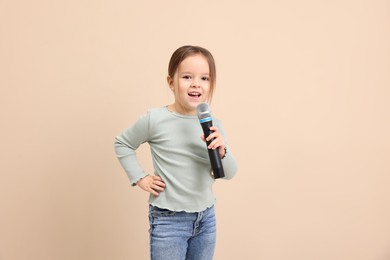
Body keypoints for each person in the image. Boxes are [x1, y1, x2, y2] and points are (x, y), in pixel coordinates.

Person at [114, 45, 237, 260]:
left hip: (205, 218)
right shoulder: (155, 119)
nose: (196, 84)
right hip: (169, 220)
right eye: (187, 77)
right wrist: (140, 177)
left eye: (205, 78)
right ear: (171, 82)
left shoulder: (213, 124)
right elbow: (122, 143)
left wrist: (222, 151)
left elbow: (228, 173)